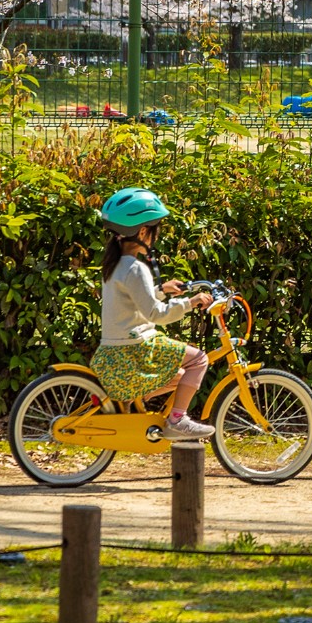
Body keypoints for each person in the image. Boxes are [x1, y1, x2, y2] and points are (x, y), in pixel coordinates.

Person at [89, 187, 215, 440]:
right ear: (143, 231)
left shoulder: (113, 266)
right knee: (199, 359)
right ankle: (178, 420)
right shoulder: (135, 268)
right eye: (155, 232)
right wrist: (191, 302)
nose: (155, 238)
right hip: (137, 347)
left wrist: (161, 290)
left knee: (179, 377)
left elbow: (130, 302)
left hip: (115, 349)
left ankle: (132, 404)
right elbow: (156, 315)